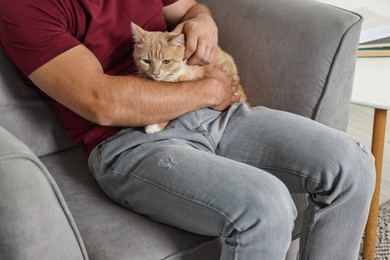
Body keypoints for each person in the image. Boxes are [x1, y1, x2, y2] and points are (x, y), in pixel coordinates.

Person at [0, 0, 375, 259]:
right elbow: (103, 102)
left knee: (352, 164)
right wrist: (209, 89)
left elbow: (191, 8)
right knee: (266, 207)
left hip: (209, 113)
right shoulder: (21, 8)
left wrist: (203, 21)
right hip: (129, 142)